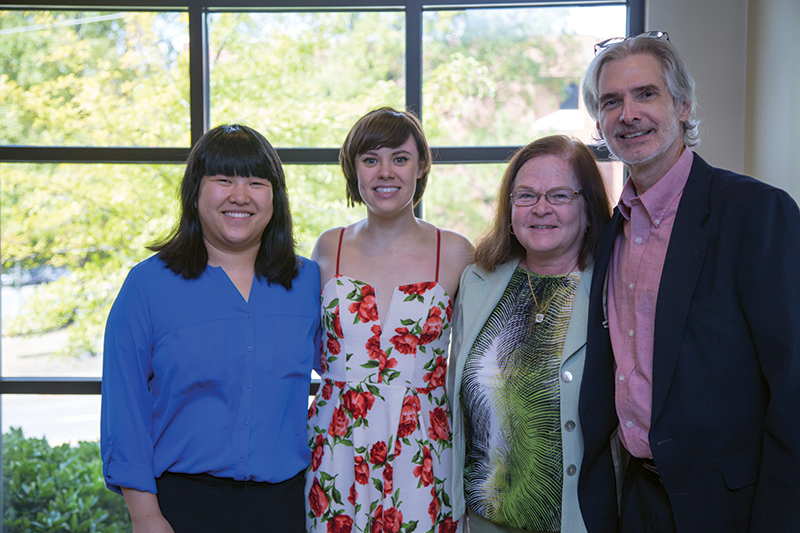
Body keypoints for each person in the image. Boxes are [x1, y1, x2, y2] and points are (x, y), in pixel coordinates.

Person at [577, 31, 800, 533]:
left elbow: (793, 388)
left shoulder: (756, 214)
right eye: (611, 101)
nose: (628, 114)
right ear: (599, 122)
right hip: (636, 499)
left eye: (646, 94)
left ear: (683, 104)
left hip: (733, 506)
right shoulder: (612, 232)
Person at [100, 124, 320, 533]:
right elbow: (124, 409)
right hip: (180, 507)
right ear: (195, 193)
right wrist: (145, 516)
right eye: (223, 180)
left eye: (256, 182)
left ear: (275, 197)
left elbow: (351, 376)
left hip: (286, 508)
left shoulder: (308, 283)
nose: (240, 195)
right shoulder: (147, 286)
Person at [305, 107, 473, 533]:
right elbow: (308, 347)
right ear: (353, 169)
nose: (385, 172)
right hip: (337, 441)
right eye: (370, 158)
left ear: (422, 166)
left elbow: (476, 358)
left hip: (423, 444)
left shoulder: (454, 252)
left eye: (400, 158)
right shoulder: (328, 247)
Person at [447, 135, 612, 533]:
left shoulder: (612, 286)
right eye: (525, 196)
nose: (541, 209)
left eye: (559, 195)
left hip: (576, 521)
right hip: (481, 520)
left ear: (587, 206)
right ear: (509, 208)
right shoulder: (478, 280)